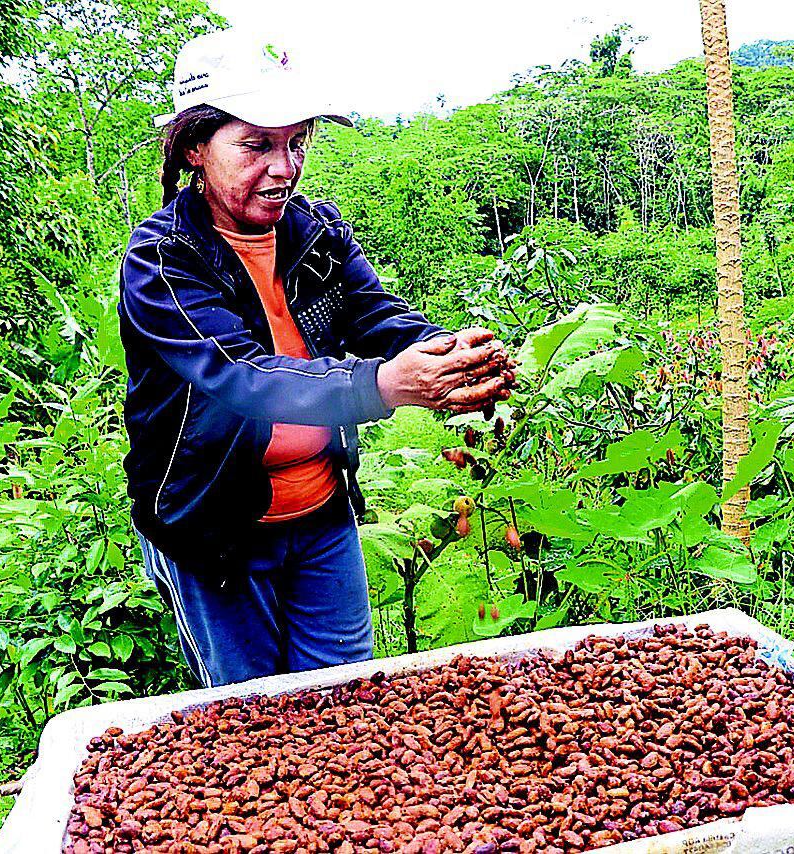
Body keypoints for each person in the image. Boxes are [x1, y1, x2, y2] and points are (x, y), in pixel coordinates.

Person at [118, 28, 513, 688]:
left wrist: (450, 354)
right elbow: (240, 374)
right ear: (193, 147)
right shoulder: (162, 261)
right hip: (215, 530)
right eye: (256, 145)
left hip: (322, 513)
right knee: (251, 715)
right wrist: (383, 385)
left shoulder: (316, 232)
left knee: (345, 701)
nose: (284, 167)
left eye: (296, 142)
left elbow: (375, 315)